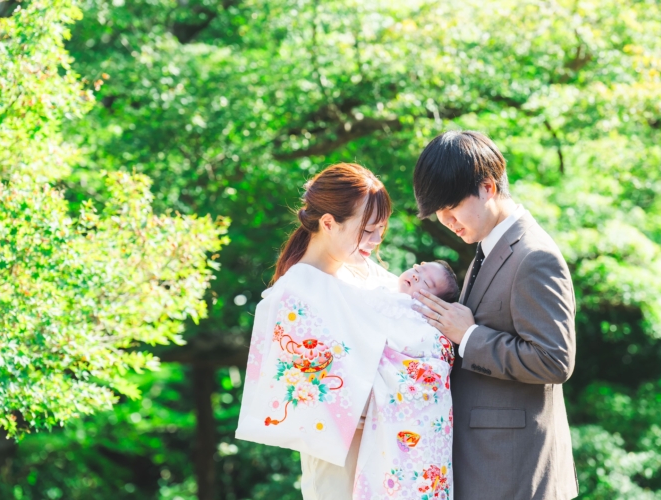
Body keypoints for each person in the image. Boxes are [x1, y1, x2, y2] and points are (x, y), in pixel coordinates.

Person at [235, 163, 454, 500]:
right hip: (338, 454)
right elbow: (319, 391)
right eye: (367, 230)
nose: (377, 240)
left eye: (381, 228)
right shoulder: (296, 293)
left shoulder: (372, 276)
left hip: (392, 448)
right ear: (328, 223)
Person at [412, 131, 579, 500]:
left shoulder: (534, 256)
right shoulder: (489, 247)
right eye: (440, 215)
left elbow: (554, 361)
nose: (447, 222)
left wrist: (469, 337)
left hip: (515, 471)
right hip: (489, 467)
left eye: (451, 209)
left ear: (487, 187)